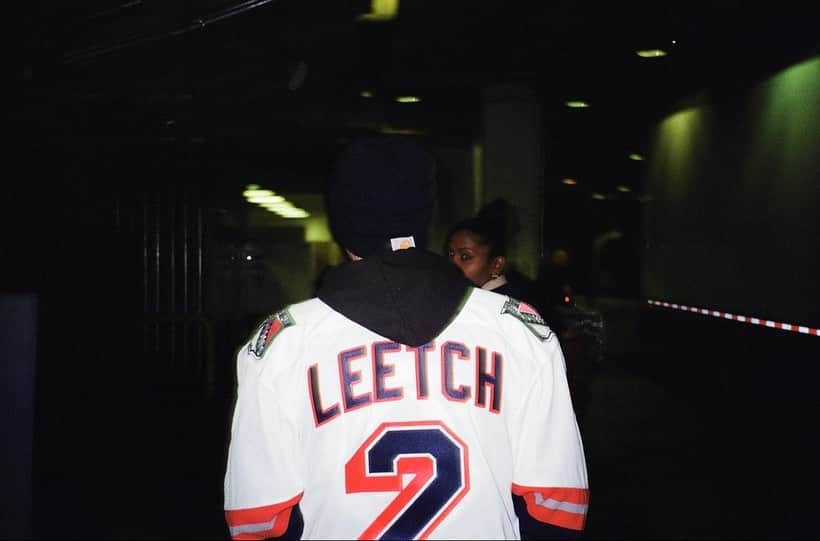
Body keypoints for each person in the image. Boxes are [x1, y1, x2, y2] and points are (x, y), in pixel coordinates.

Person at [223, 136, 589, 540]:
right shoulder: (520, 333)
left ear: (341, 223)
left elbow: (261, 519)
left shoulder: (280, 345)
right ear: (424, 219)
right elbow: (555, 506)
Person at [446, 199, 545, 314]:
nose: (452, 263)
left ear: (496, 264)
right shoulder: (464, 296)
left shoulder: (509, 307)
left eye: (465, 257)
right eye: (451, 254)